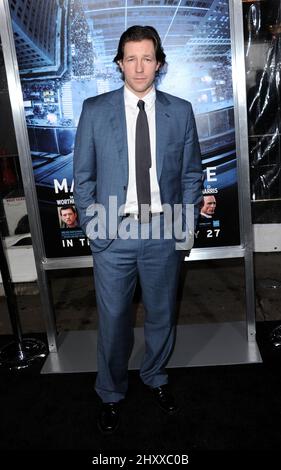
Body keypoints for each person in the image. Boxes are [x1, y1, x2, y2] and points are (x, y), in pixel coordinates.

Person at [73, 25, 203, 434]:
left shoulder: (180, 111)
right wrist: (98, 230)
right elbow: (83, 177)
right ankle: (110, 391)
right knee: (113, 321)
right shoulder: (95, 110)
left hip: (164, 231)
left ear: (159, 63)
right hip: (114, 233)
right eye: (131, 58)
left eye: (147, 57)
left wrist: (183, 229)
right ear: (119, 64)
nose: (139, 66)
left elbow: (191, 174)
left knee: (162, 315)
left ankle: (156, 376)